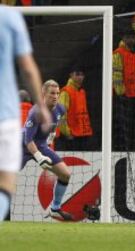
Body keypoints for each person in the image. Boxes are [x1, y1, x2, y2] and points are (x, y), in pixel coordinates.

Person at [0, 4, 51, 222]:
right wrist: (41, 105)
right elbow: (28, 69)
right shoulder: (10, 18)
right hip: (5, 115)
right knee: (4, 184)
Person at [22, 80, 73, 221]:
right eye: (52, 93)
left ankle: (55, 209)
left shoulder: (60, 109)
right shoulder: (36, 112)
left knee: (65, 174)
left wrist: (50, 139)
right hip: (23, 146)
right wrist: (38, 156)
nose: (55, 96)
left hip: (42, 146)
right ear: (43, 94)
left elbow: (52, 126)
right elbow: (28, 140)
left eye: (58, 93)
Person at [58, 65, 93, 151]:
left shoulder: (82, 92)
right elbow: (61, 114)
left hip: (84, 134)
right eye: (77, 74)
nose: (80, 77)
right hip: (72, 137)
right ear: (71, 75)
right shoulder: (66, 92)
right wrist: (67, 132)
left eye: (82, 75)